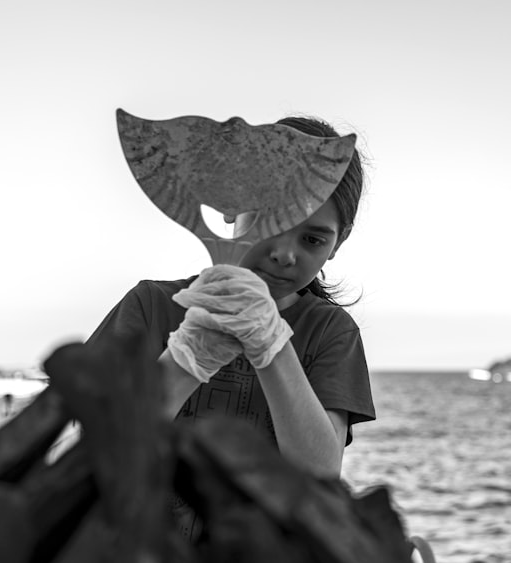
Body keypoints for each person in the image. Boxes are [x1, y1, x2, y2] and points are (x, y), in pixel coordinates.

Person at [85, 116, 375, 493]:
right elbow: (97, 450)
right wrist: (186, 355)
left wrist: (271, 345)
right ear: (232, 206)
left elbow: (319, 475)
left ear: (339, 241)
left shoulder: (330, 331)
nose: (285, 253)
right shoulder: (152, 306)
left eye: (313, 239)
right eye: (270, 223)